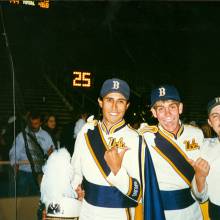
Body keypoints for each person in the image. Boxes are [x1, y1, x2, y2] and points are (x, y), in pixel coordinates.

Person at [71, 78, 161, 220]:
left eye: (120, 101)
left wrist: (118, 172)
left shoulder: (136, 139)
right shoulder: (87, 132)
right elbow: (75, 171)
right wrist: (75, 189)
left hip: (120, 214)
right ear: (100, 102)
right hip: (87, 211)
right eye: (109, 100)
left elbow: (140, 193)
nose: (114, 107)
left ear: (127, 105)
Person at [139, 84, 210, 220]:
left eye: (172, 107)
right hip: (160, 211)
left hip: (192, 212)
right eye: (161, 108)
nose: (167, 114)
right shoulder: (144, 137)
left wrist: (201, 176)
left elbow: (201, 192)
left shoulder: (196, 134)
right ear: (154, 113)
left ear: (180, 108)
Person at [9, 111, 54, 196]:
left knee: (37, 199)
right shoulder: (22, 136)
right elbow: (14, 151)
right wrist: (15, 163)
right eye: (31, 123)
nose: (33, 126)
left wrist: (51, 153)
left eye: (36, 123)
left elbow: (52, 150)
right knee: (21, 198)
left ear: (40, 123)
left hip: (39, 173)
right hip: (24, 172)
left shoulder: (46, 135)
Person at [201, 97, 220, 220]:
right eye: (215, 116)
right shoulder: (204, 148)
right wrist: (199, 175)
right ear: (209, 122)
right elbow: (199, 194)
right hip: (216, 210)